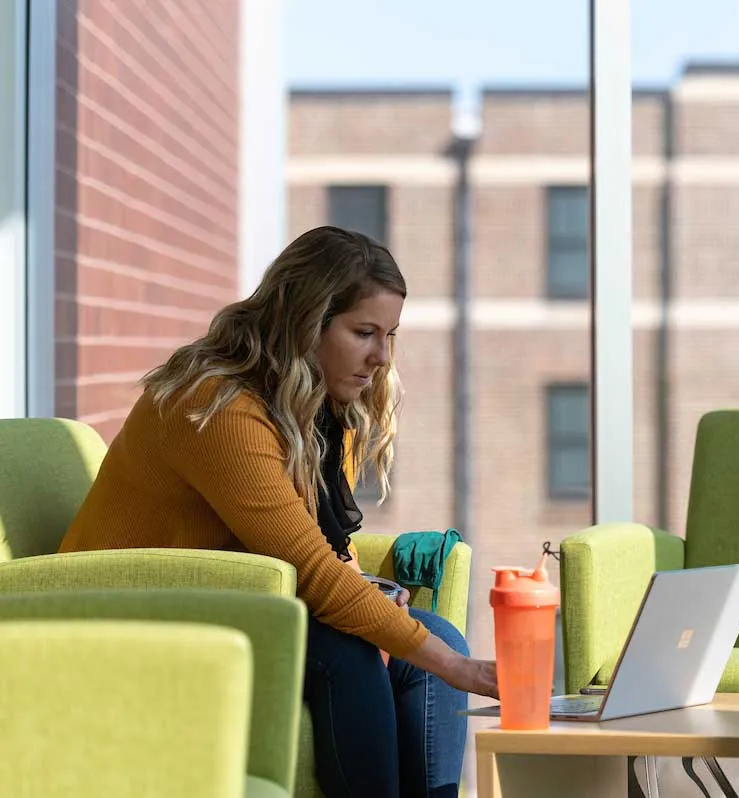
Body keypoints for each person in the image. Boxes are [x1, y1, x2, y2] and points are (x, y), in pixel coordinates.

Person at [59, 225, 496, 798]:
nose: (381, 357)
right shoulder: (217, 405)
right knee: (349, 650)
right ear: (305, 321)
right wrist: (458, 671)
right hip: (126, 615)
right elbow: (311, 571)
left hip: (226, 597)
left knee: (435, 635)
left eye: (389, 335)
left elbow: (313, 542)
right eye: (363, 332)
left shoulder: (313, 405)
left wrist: (379, 599)